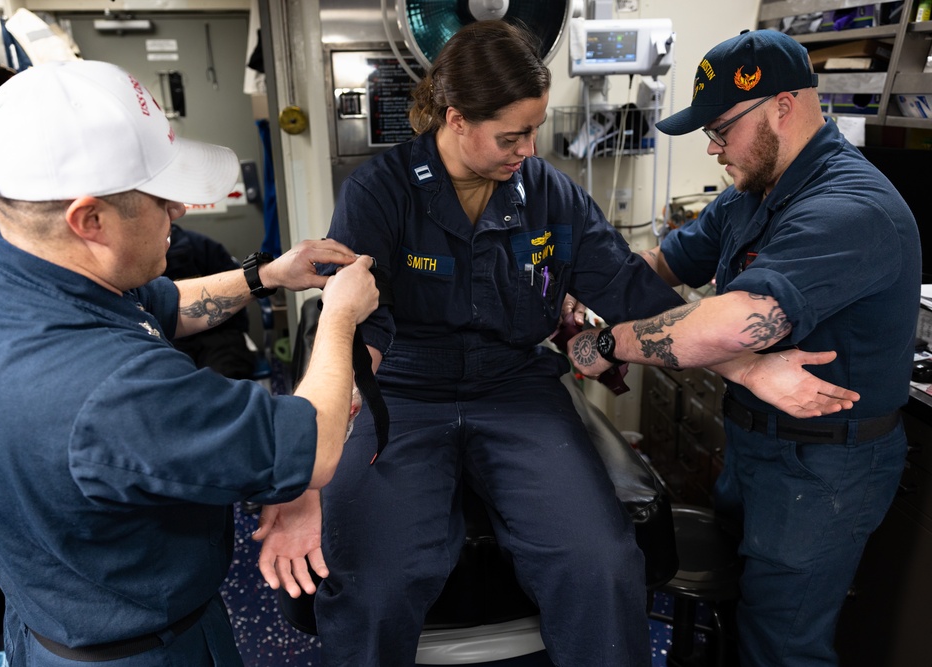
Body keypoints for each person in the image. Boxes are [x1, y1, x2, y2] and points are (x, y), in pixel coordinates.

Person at [253, 21, 861, 666]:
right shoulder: (381, 191)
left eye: (534, 130)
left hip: (516, 389)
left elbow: (631, 289)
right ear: (456, 119)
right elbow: (358, 334)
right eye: (511, 135)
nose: (528, 148)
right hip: (403, 391)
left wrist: (747, 368)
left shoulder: (549, 193)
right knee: (374, 580)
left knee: (600, 561)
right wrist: (304, 469)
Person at [0, 59, 378, 666]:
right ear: (89, 219)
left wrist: (267, 275)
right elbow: (318, 442)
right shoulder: (110, 389)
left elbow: (163, 304)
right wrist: (339, 315)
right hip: (141, 650)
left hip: (51, 615)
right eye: (159, 198)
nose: (180, 211)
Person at [566, 29, 920, 667]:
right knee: (743, 613)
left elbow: (727, 325)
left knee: (782, 644)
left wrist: (605, 342)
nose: (712, 147)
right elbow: (657, 266)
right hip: (755, 446)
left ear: (782, 106)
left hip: (822, 471)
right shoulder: (751, 196)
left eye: (721, 129)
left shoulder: (849, 209)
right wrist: (581, 294)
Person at [163, 223, 258, 379]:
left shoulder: (203, 247)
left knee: (225, 378)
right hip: (169, 340)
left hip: (219, 333)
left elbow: (238, 299)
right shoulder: (138, 261)